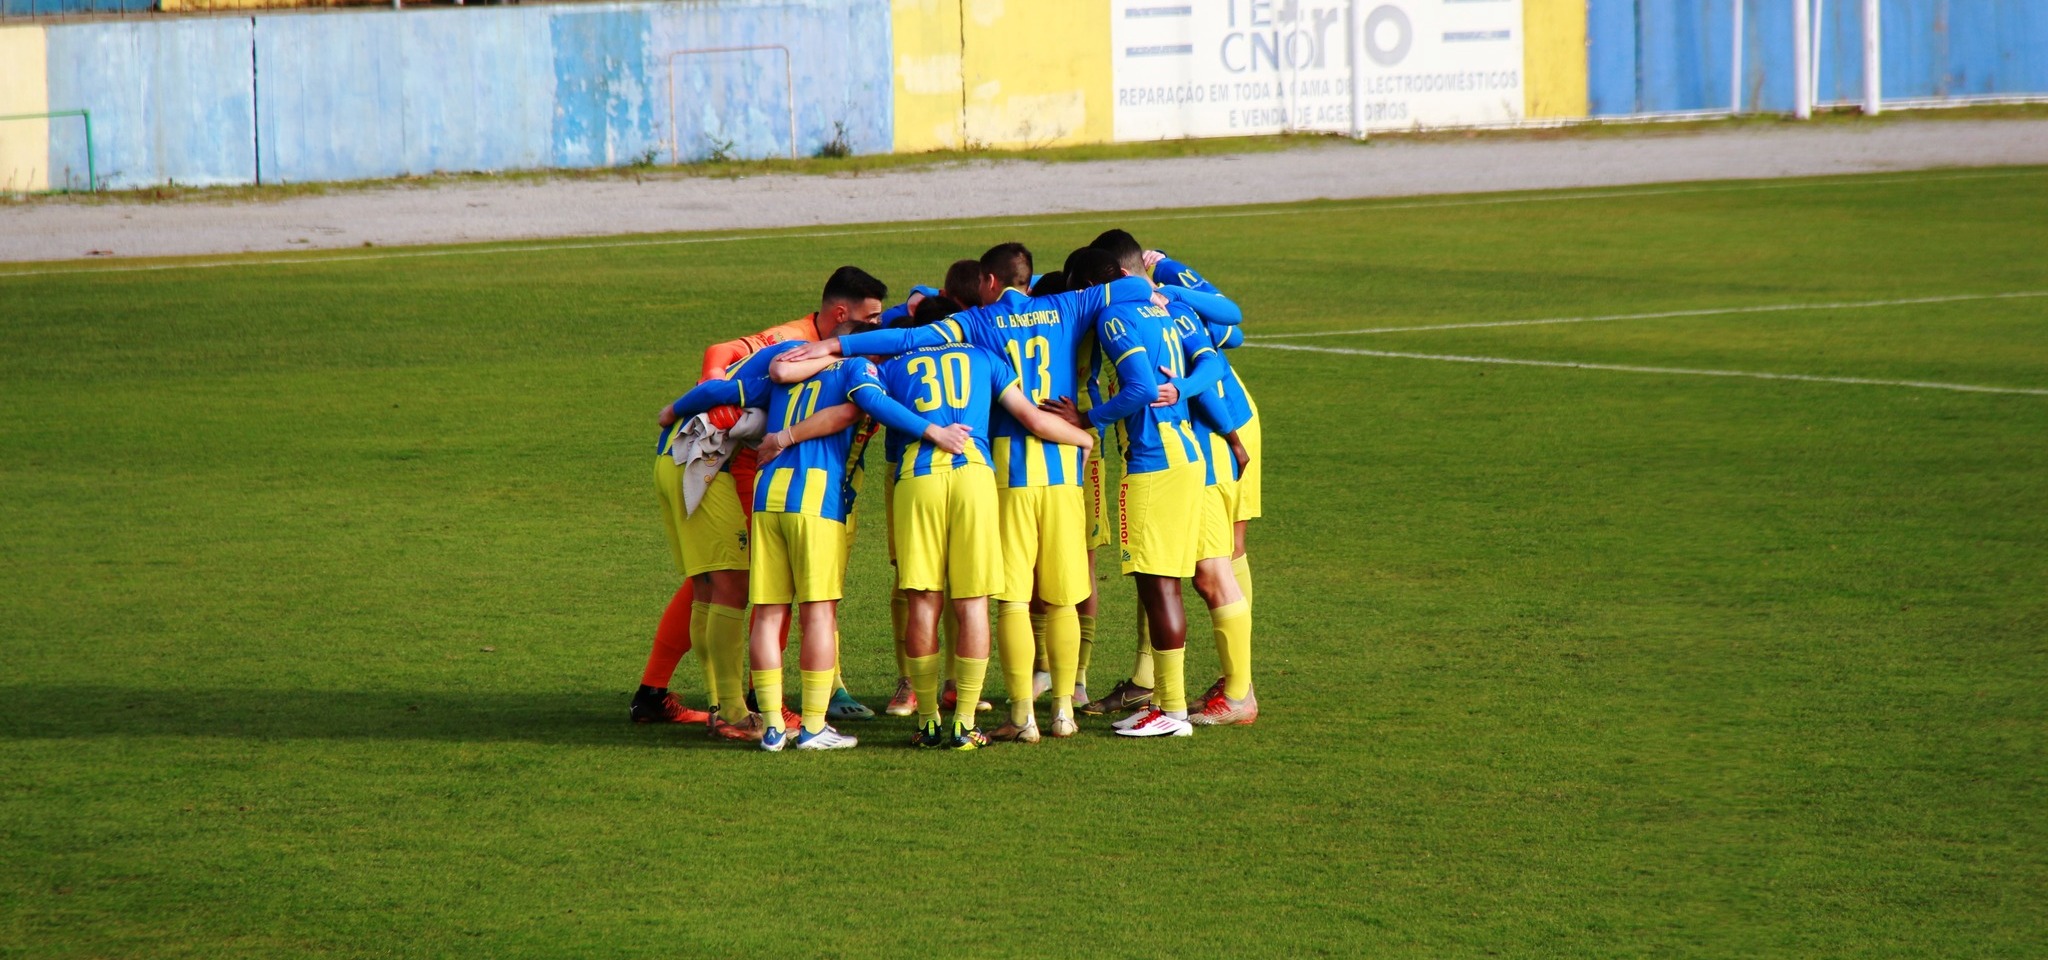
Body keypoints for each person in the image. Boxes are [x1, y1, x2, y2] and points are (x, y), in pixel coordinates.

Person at [778, 246, 1152, 741]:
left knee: (1001, 602)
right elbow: (1138, 287)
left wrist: (834, 348)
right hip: (1059, 470)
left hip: (996, 474)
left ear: (990, 282)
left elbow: (909, 337)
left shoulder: (975, 322)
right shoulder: (1068, 306)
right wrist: (1085, 429)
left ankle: (1014, 716)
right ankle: (1060, 709)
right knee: (1059, 600)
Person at [669, 322, 968, 750]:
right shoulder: (857, 369)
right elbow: (864, 405)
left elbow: (724, 392)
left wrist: (673, 409)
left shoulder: (793, 367)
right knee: (818, 615)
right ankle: (812, 726)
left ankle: (772, 727)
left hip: (767, 494)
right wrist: (931, 430)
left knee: (768, 613)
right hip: (816, 501)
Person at [631, 266, 891, 729]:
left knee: (714, 584)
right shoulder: (792, 345)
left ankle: (715, 704)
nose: (878, 328)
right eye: (872, 320)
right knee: (736, 583)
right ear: (841, 316)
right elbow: (724, 367)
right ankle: (733, 709)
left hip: (700, 457)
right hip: (706, 459)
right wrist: (686, 410)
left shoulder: (822, 355)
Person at [846, 274, 1096, 748]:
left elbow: (876, 417)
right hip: (976, 476)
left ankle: (925, 721)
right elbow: (1032, 416)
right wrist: (1083, 434)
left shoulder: (894, 366)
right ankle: (965, 722)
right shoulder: (985, 357)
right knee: (975, 602)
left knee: (923, 599)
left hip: (917, 479)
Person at [1044, 250, 1246, 738]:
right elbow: (1214, 364)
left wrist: (1085, 419)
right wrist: (1205, 412)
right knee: (1185, 577)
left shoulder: (1115, 316)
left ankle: (1171, 711)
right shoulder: (1173, 310)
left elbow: (1136, 389)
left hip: (1154, 460)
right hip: (1193, 453)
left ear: (1102, 282)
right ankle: (1177, 702)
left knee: (1159, 584)